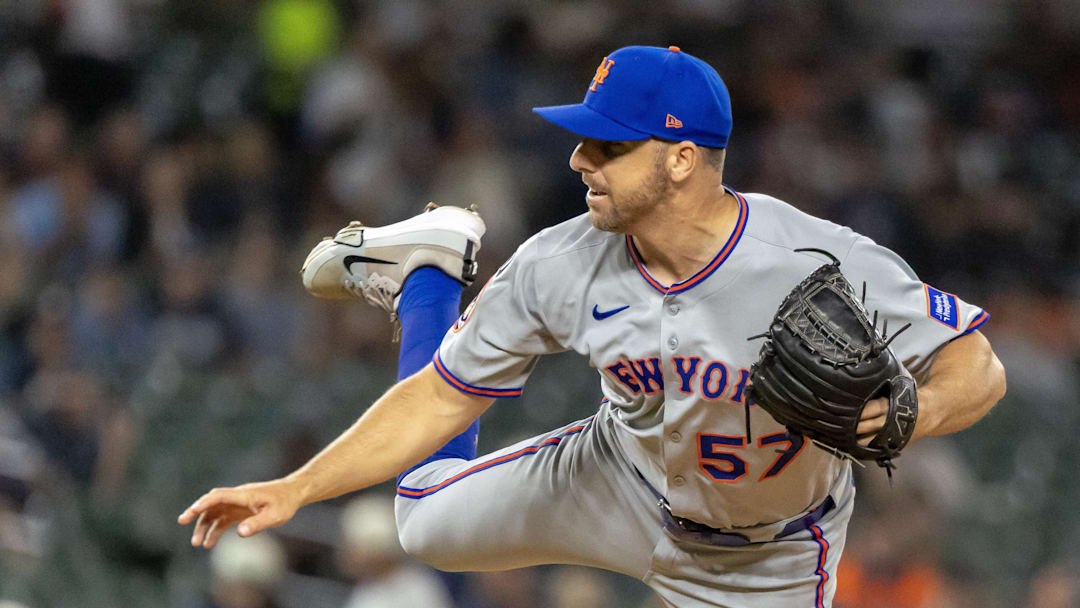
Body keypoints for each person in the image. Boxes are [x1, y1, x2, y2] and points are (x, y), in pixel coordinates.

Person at [178, 45, 1006, 607]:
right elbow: (439, 400)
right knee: (423, 523)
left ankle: (426, 281)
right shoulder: (560, 261)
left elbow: (980, 369)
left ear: (681, 158)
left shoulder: (817, 258)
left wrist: (915, 412)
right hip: (616, 479)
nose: (579, 159)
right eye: (584, 140)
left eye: (608, 145)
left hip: (767, 556)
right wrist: (296, 489)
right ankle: (429, 282)